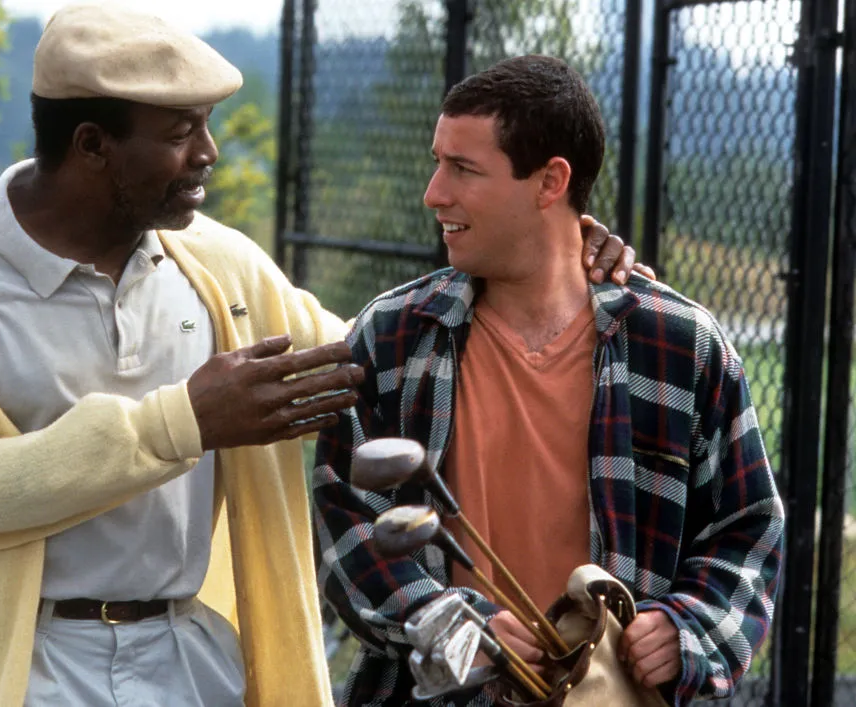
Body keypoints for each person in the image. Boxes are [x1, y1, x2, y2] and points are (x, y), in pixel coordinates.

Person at [0, 6, 642, 705]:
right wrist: (174, 424)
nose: (209, 153)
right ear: (91, 145)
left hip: (192, 659)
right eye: (182, 133)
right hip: (23, 670)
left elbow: (389, 363)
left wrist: (551, 248)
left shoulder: (218, 266)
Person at [313, 55, 784, 707]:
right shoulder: (391, 336)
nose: (433, 192)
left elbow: (747, 526)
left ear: (550, 181)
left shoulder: (680, 346)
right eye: (436, 160)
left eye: (463, 168)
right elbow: (344, 514)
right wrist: (443, 621)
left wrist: (688, 632)